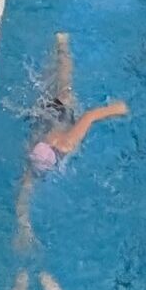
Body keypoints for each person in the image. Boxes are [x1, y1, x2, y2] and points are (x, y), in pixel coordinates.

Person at [15, 33, 129, 250]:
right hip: (43, 119)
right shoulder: (44, 155)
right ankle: (58, 49)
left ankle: (62, 44)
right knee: (54, 85)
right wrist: (24, 227)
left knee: (65, 87)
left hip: (60, 114)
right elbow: (23, 199)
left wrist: (116, 109)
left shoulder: (65, 144)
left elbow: (89, 116)